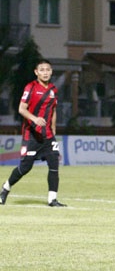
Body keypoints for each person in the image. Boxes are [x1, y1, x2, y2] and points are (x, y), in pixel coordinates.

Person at [0, 59, 66, 207]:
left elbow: (53, 110)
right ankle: (5, 188)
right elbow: (21, 109)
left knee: (54, 164)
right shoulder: (30, 87)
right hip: (31, 135)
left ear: (51, 71)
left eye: (48, 69)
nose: (45, 72)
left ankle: (52, 199)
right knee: (25, 168)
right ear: (36, 72)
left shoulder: (53, 90)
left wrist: (54, 128)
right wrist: (35, 119)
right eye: (42, 70)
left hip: (48, 135)